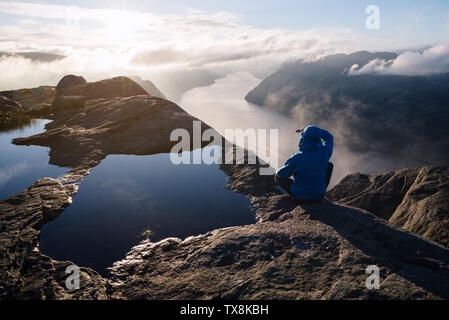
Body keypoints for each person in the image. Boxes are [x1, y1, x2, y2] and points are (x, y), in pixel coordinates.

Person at [274, 125, 334, 202]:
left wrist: (277, 170)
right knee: (329, 165)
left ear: (303, 139)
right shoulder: (325, 153)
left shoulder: (297, 158)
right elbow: (329, 137)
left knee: (278, 176)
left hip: (300, 196)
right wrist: (316, 132)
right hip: (318, 196)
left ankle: (299, 195)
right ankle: (318, 191)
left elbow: (282, 174)